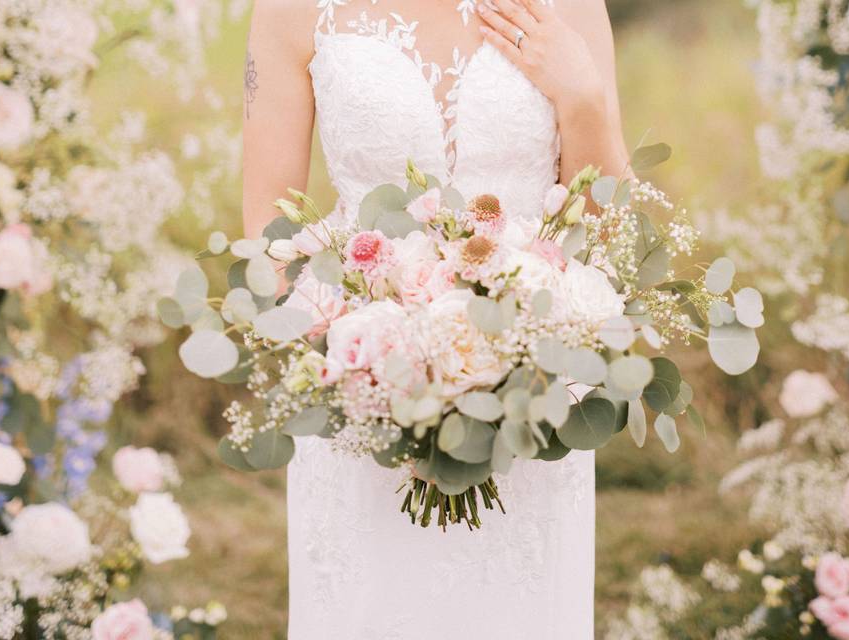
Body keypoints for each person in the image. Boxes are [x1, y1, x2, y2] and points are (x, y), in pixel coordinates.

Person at [241, 1, 630, 637]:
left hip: (531, 391)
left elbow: (607, 236)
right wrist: (358, 368)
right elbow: (267, 235)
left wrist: (584, 98)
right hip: (363, 387)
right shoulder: (292, 9)